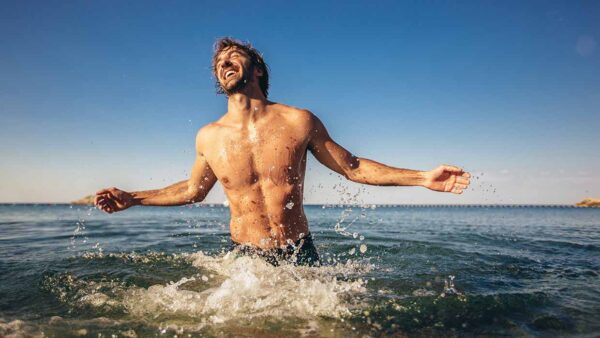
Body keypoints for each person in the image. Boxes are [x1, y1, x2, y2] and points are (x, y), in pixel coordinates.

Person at [95, 37, 471, 266]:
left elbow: (353, 168)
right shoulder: (208, 136)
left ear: (257, 68)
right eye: (218, 63)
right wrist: (134, 198)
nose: (224, 63)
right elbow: (191, 191)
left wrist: (422, 178)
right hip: (244, 256)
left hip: (298, 251)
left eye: (233, 56)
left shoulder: (298, 121)